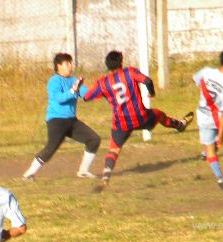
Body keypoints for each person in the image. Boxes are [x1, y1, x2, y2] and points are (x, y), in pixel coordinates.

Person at [81, 50, 194, 191]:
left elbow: (86, 97)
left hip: (121, 122)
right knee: (158, 114)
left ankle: (106, 177)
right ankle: (180, 125)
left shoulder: (103, 82)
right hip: (140, 116)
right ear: (121, 62)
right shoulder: (129, 72)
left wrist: (80, 87)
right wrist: (151, 93)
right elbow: (147, 80)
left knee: (114, 149)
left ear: (107, 66)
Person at [23, 53, 101, 180]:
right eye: (66, 64)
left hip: (72, 121)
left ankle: (83, 171)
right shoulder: (54, 81)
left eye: (70, 63)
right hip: (57, 121)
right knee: (51, 148)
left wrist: (100, 89)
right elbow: (59, 98)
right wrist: (73, 90)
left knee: (94, 139)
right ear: (58, 66)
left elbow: (87, 95)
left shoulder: (73, 80)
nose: (70, 66)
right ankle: (29, 174)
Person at [193, 48, 223, 190]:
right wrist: (221, 135)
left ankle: (207, 152)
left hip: (203, 116)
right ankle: (221, 179)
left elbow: (194, 79)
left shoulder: (206, 72)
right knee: (212, 149)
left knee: (211, 148)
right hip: (216, 119)